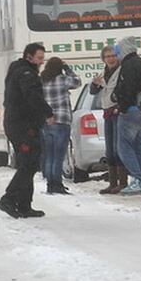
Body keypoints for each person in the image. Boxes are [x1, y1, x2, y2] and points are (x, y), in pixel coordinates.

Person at [0, 43, 54, 219]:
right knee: (29, 164)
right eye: (39, 58)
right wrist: (47, 113)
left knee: (28, 164)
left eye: (43, 58)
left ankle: (24, 205)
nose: (42, 62)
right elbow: (32, 96)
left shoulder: (18, 69)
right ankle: (8, 199)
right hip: (23, 126)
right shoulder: (26, 73)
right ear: (29, 57)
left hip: (19, 123)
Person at [112, 37, 141, 195]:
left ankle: (137, 179)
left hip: (130, 111)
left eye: (117, 51)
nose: (116, 55)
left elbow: (127, 88)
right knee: (140, 147)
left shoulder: (128, 66)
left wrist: (122, 106)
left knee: (124, 147)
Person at [41, 57, 81, 195]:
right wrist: (68, 69)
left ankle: (50, 184)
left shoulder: (42, 82)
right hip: (62, 120)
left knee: (50, 155)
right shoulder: (62, 79)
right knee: (59, 156)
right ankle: (57, 184)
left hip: (47, 121)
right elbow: (77, 82)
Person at [90, 46, 125, 194]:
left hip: (117, 111)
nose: (111, 59)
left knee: (118, 148)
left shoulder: (122, 71)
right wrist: (95, 83)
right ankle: (112, 182)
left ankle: (122, 182)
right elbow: (93, 92)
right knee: (109, 148)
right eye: (107, 56)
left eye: (113, 56)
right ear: (103, 59)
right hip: (107, 112)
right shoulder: (103, 73)